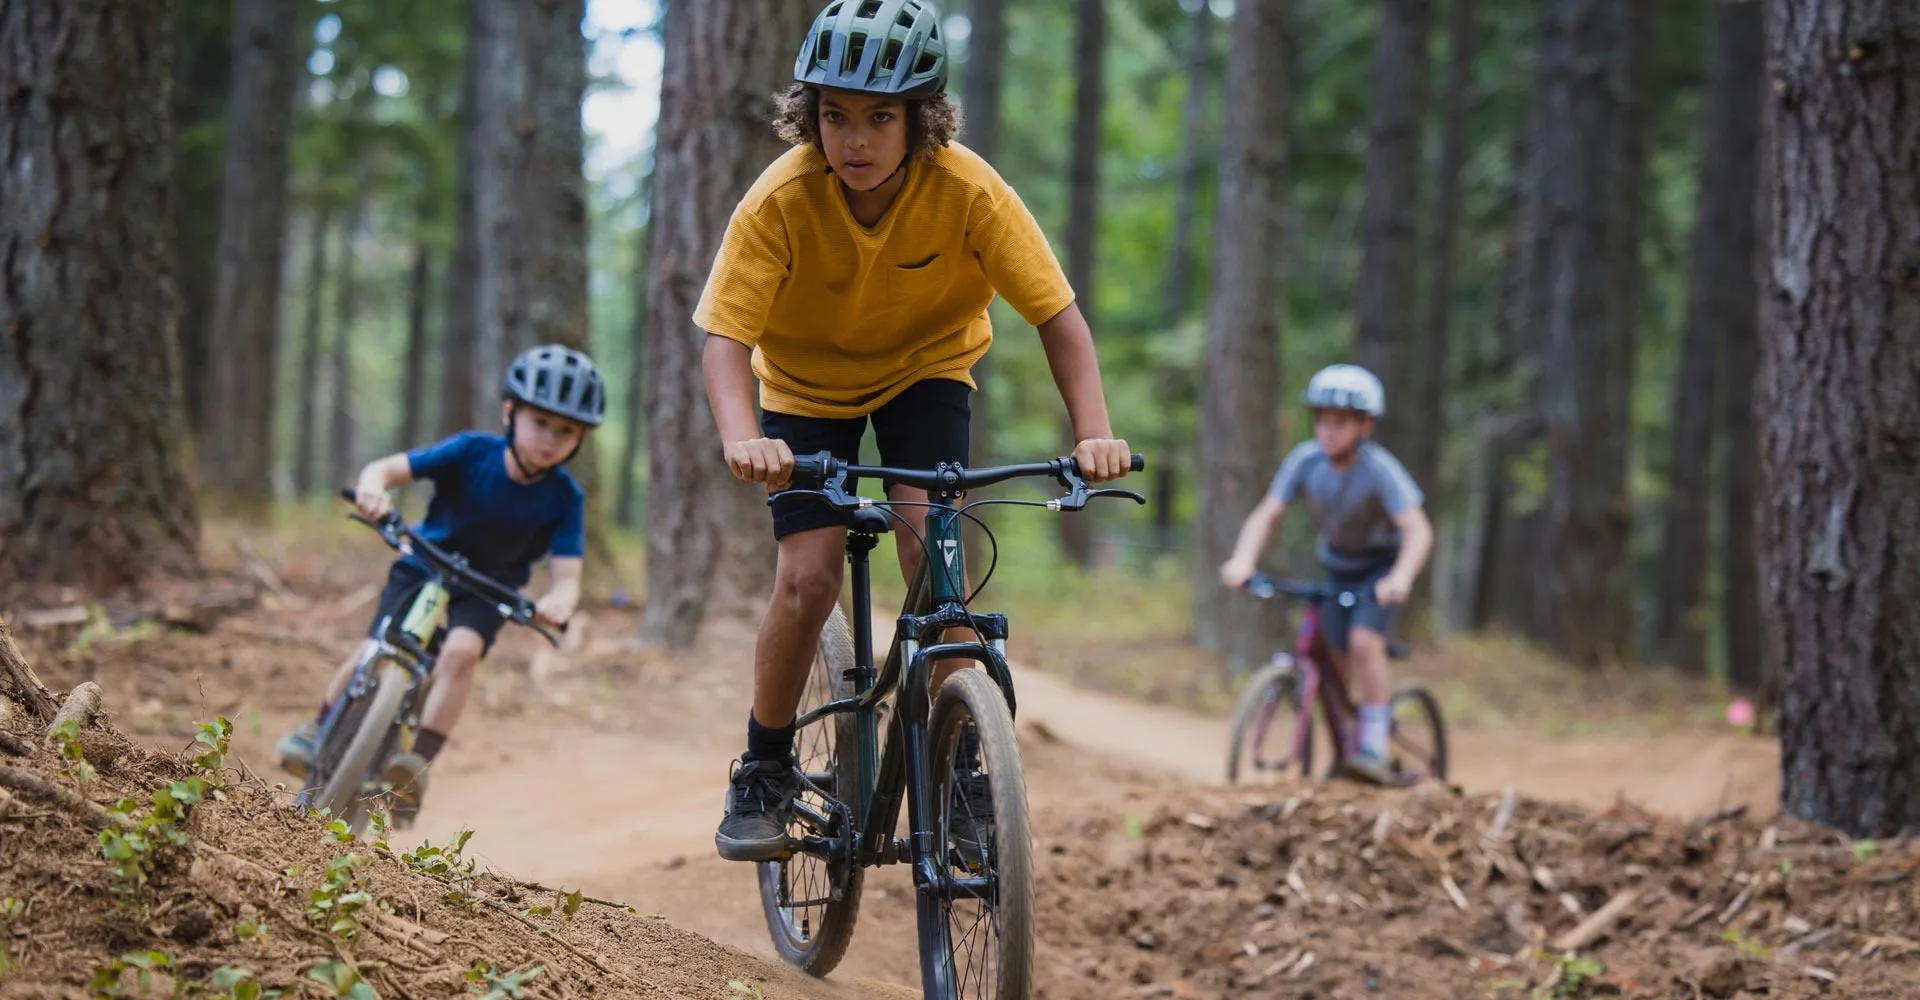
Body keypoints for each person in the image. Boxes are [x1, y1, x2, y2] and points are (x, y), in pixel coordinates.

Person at [696, 0, 1132, 862]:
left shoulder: (968, 189)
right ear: (809, 115)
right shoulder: (780, 198)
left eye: (880, 118)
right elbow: (725, 340)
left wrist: (1095, 433)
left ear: (922, 121)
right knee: (808, 576)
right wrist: (743, 434)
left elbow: (1058, 316)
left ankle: (967, 772)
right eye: (835, 116)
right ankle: (766, 766)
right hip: (805, 386)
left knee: (935, 567)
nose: (854, 140)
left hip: (925, 371)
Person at [276, 345, 605, 826]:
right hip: (424, 563)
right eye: (540, 422)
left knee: (462, 654)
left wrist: (557, 603)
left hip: (489, 590)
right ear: (509, 412)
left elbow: (567, 577)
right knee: (374, 648)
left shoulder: (565, 499)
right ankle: (320, 726)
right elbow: (388, 470)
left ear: (581, 438)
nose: (550, 439)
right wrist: (373, 488)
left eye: (566, 431)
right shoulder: (472, 451)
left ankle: (415, 765)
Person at [1218, 363, 1434, 785]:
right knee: (1333, 658)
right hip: (1338, 566)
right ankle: (1347, 742)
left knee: (1363, 642)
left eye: (1339, 422)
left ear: (1365, 426)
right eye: (1321, 420)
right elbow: (1268, 514)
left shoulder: (1379, 470)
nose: (1327, 431)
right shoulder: (1305, 462)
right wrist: (1243, 561)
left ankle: (1372, 741)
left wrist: (1401, 578)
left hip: (1380, 569)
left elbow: (1418, 530)